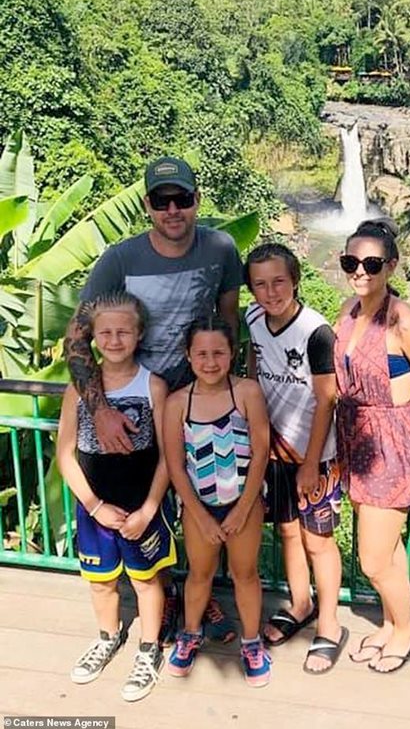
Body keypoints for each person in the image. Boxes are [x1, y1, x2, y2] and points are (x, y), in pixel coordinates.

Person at [64, 155, 242, 643]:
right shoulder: (119, 260)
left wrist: (230, 390)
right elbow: (76, 339)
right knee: (151, 503)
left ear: (196, 200)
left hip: (195, 404)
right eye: (161, 202)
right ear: (147, 206)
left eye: (181, 199)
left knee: (201, 502)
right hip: (136, 407)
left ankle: (197, 594)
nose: (172, 210)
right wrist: (100, 410)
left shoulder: (221, 248)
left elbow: (228, 322)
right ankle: (163, 597)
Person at [334, 219, 410, 674]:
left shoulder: (402, 320)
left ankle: (407, 632)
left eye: (371, 264)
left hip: (389, 449)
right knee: (387, 552)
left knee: (371, 559)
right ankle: (390, 624)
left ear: (391, 266)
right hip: (355, 442)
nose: (360, 271)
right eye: (351, 261)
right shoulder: (348, 310)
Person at [57, 292, 176, 701]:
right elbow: (65, 454)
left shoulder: (153, 386)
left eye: (123, 331)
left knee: (146, 580)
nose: (113, 340)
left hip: (142, 504)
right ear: (92, 337)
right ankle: (107, 637)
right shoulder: (78, 391)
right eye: (104, 332)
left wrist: (149, 508)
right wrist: (93, 506)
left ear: (139, 334)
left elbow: (168, 456)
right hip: (95, 506)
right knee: (100, 582)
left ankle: (148, 649)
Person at [244, 243, 347, 675]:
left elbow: (327, 400)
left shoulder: (315, 332)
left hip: (315, 454)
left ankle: (330, 624)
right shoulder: (253, 319)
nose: (271, 292)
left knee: (318, 541)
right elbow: (254, 368)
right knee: (287, 531)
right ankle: (300, 603)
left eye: (279, 282)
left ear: (295, 280)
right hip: (275, 449)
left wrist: (310, 463)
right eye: (260, 284)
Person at [163, 317, 271, 686]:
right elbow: (176, 465)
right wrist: (201, 517)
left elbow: (260, 452)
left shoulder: (247, 393)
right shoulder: (178, 402)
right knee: (199, 574)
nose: (210, 362)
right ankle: (190, 633)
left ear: (232, 353)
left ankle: (252, 642)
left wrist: (242, 509)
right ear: (188, 355)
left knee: (245, 574)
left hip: (245, 503)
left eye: (219, 353)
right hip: (199, 507)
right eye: (202, 354)